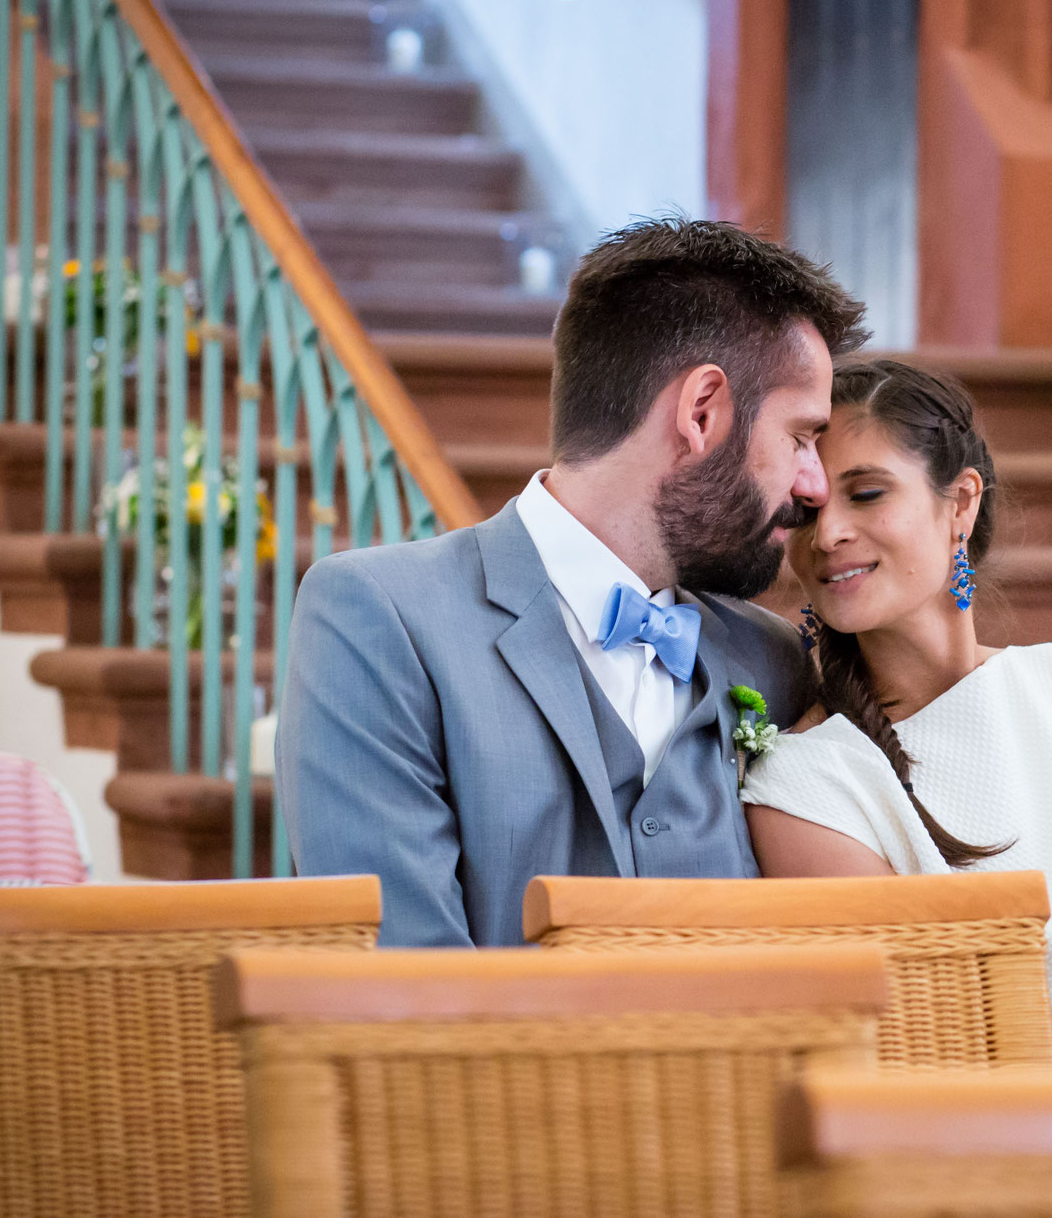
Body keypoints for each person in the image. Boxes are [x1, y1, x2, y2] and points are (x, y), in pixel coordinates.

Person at [278, 218, 869, 946]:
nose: (815, 486)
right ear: (702, 412)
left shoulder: (771, 659)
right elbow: (402, 985)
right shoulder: (381, 618)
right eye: (801, 437)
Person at [738, 358, 1052, 1053]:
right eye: (807, 510)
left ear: (961, 503)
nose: (827, 535)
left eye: (866, 494)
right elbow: (934, 1049)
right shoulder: (806, 784)